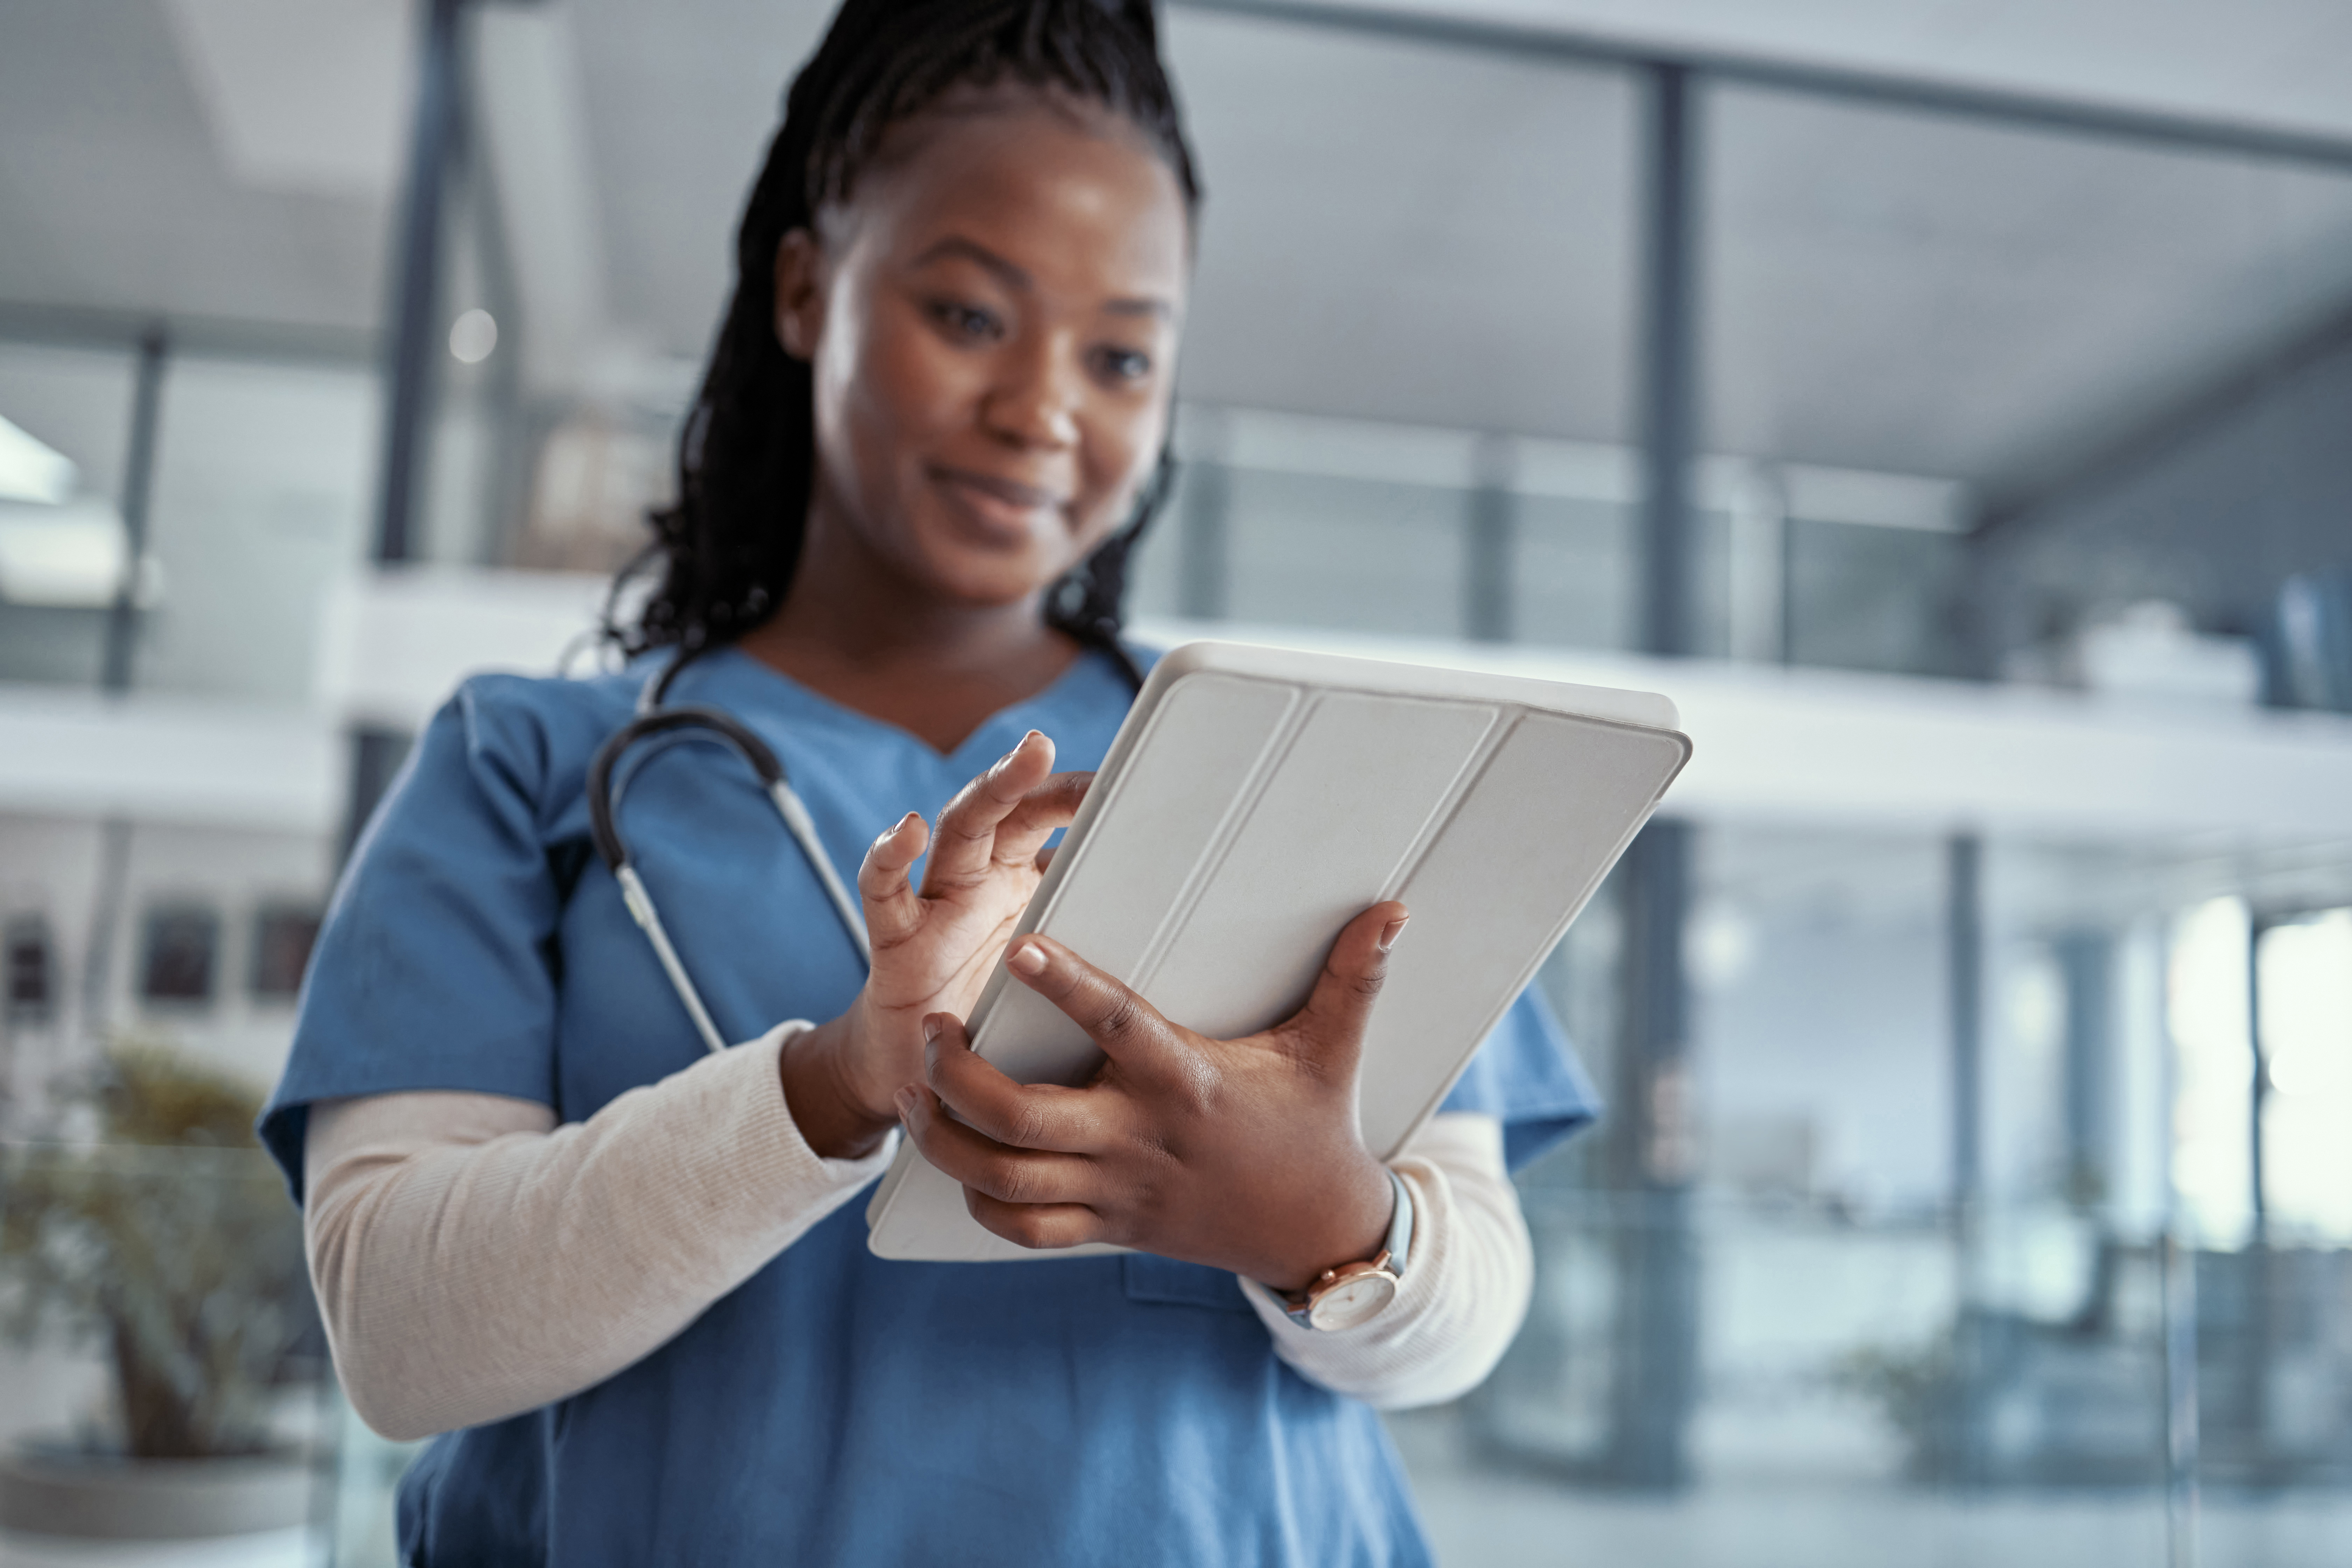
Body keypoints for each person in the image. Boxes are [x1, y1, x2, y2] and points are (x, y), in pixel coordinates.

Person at [261, 0, 1597, 1561]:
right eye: (970, 316)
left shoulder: (1301, 766)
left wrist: (1325, 1227)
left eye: (1120, 355)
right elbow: (399, 1334)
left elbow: (1470, 1310)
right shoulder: (524, 765)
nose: (1043, 408)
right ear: (808, 290)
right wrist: (832, 1086)